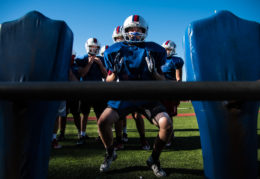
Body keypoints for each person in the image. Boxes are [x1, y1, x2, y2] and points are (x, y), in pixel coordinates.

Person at [98, 15, 172, 177]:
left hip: (147, 96)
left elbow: (163, 80)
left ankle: (154, 158)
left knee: (166, 123)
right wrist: (115, 72)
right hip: (124, 95)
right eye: (131, 29)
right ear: (125, 30)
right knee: (103, 122)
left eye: (139, 29)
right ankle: (110, 152)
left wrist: (154, 73)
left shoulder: (154, 49)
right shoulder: (115, 50)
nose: (135, 32)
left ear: (145, 31)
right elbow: (109, 81)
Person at [111, 25, 150, 151]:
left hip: (135, 87)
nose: (120, 40)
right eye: (117, 38)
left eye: (121, 38)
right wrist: (114, 72)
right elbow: (108, 78)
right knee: (118, 117)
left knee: (137, 115)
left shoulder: (135, 51)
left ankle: (143, 138)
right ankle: (119, 139)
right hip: (119, 88)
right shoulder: (113, 52)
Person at [76, 38, 108, 145]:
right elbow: (82, 74)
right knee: (84, 114)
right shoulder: (82, 58)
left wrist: (100, 64)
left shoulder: (101, 59)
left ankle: (101, 135)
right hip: (85, 90)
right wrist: (89, 64)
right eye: (91, 47)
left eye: (96, 48)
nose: (94, 49)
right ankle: (82, 134)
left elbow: (106, 76)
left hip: (98, 90)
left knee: (100, 115)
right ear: (87, 47)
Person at [161, 40, 184, 146]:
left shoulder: (176, 61)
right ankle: (169, 134)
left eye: (168, 49)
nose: (166, 51)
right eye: (165, 49)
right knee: (161, 115)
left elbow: (178, 79)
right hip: (160, 91)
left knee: (169, 116)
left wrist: (177, 93)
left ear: (173, 50)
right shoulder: (160, 60)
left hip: (170, 91)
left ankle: (169, 137)